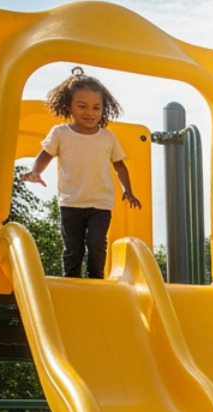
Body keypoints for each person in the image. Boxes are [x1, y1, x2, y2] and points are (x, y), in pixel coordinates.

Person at [20, 68, 142, 280]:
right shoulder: (60, 133)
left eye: (96, 107)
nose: (90, 113)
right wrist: (35, 171)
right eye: (82, 106)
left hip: (100, 203)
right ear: (69, 106)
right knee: (73, 247)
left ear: (103, 108)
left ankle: (96, 279)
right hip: (71, 202)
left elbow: (120, 166)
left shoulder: (107, 138)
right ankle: (72, 280)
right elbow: (45, 155)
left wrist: (128, 190)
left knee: (96, 242)